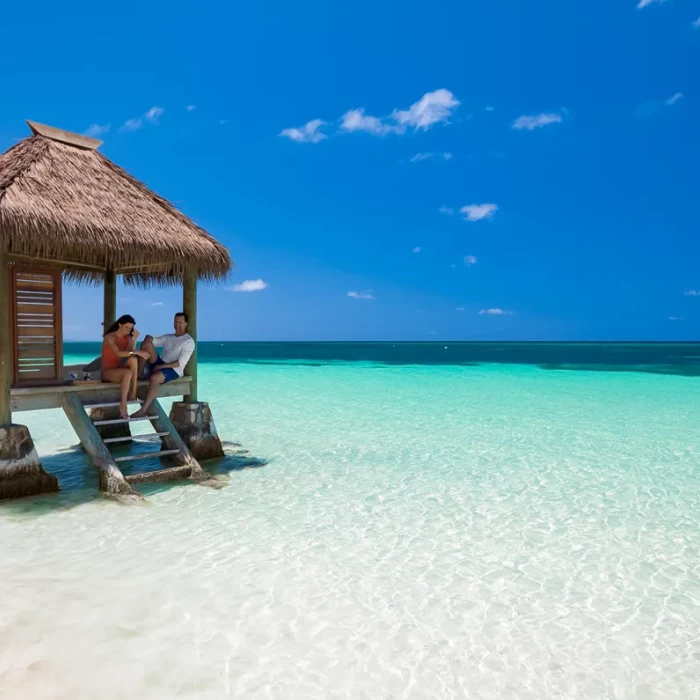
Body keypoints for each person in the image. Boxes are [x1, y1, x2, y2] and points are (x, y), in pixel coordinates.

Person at [131, 312, 195, 418]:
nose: (177, 325)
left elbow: (180, 363)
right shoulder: (169, 337)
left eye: (180, 322)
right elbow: (154, 341)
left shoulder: (188, 341)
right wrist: (149, 338)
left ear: (186, 324)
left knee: (154, 378)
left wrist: (161, 367)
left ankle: (144, 409)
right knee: (147, 343)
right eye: (175, 322)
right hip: (161, 363)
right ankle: (139, 374)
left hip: (174, 369)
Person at [101, 314, 150, 419]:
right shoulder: (109, 337)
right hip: (108, 372)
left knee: (133, 359)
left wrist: (135, 339)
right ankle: (123, 405)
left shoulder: (128, 337)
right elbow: (119, 353)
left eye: (130, 328)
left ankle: (133, 392)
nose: (128, 330)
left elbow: (130, 352)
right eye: (126, 327)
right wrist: (137, 351)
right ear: (119, 325)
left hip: (119, 368)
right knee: (128, 372)